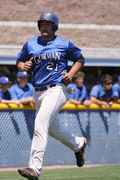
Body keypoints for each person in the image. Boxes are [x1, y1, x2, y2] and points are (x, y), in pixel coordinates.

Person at [17, 11, 87, 180]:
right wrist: (23, 66)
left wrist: (71, 73)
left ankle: (34, 168)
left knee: (40, 123)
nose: (44, 26)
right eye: (41, 23)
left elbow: (80, 58)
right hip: (38, 91)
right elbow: (19, 61)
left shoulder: (64, 43)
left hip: (56, 89)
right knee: (53, 130)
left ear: (54, 26)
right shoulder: (31, 43)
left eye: (47, 24)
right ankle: (78, 144)